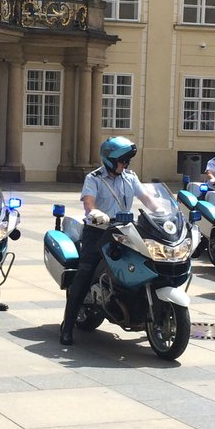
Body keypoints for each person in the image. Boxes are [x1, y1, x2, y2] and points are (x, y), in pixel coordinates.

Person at [59, 136, 151, 346]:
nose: (126, 164)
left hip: (125, 231)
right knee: (85, 272)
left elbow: (147, 199)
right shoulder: (94, 178)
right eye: (123, 160)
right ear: (110, 159)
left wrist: (163, 210)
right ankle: (68, 324)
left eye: (128, 161)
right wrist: (95, 213)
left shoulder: (130, 177)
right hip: (98, 231)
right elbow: (89, 203)